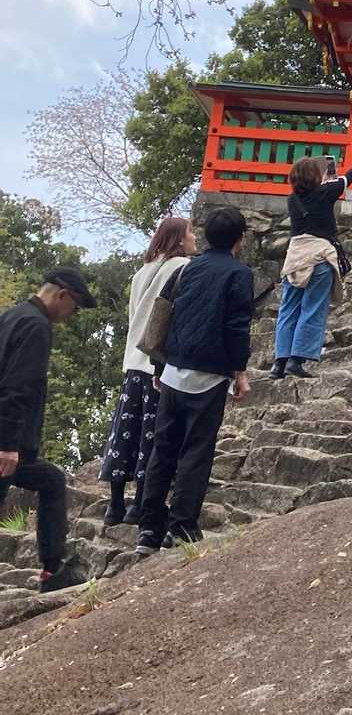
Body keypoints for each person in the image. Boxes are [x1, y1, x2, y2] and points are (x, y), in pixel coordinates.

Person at [136, 207, 253, 553]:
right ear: (239, 239)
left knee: (163, 449)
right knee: (196, 452)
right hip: (209, 375)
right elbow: (237, 326)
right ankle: (181, 526)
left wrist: (158, 368)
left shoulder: (186, 269)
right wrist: (240, 372)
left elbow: (163, 318)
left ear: (206, 236)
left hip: (173, 370)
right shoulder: (239, 274)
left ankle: (148, 528)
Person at [0, 266, 96, 592]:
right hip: (6, 442)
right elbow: (17, 387)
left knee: (51, 480)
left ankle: (52, 570)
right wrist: (8, 445)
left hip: (10, 440)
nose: (72, 315)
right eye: (75, 307)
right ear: (63, 295)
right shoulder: (36, 326)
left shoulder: (11, 316)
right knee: (51, 481)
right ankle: (52, 572)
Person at [99, 216, 196, 525]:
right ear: (179, 239)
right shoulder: (182, 268)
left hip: (133, 360)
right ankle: (140, 503)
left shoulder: (141, 272)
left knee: (125, 431)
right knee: (152, 434)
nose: (195, 237)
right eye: (190, 232)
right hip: (158, 363)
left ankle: (115, 504)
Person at [270, 153, 352, 380]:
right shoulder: (325, 192)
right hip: (319, 257)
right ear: (315, 177)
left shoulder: (292, 200)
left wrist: (325, 182)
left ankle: (279, 362)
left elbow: (320, 190)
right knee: (312, 308)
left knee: (288, 309)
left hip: (295, 259)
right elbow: (348, 178)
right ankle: (297, 359)